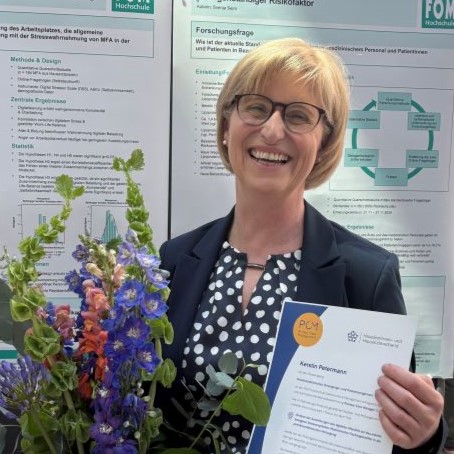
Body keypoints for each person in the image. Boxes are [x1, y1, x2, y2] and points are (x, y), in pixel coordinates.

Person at [160, 37, 446, 453]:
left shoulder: (366, 276)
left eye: (298, 115)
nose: (273, 130)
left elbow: (393, 437)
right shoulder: (173, 261)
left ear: (324, 144)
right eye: (255, 107)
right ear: (225, 127)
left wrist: (423, 435)